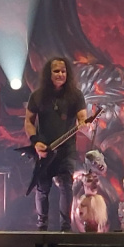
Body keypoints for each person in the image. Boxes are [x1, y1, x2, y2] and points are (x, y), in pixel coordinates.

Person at [25, 57, 89, 230]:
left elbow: (82, 117)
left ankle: (65, 228)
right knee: (42, 188)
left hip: (66, 150)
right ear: (49, 74)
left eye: (63, 71)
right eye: (56, 71)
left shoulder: (75, 95)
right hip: (44, 150)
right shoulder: (37, 96)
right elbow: (29, 121)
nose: (60, 74)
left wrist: (84, 123)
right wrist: (35, 142)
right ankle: (42, 225)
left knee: (66, 185)